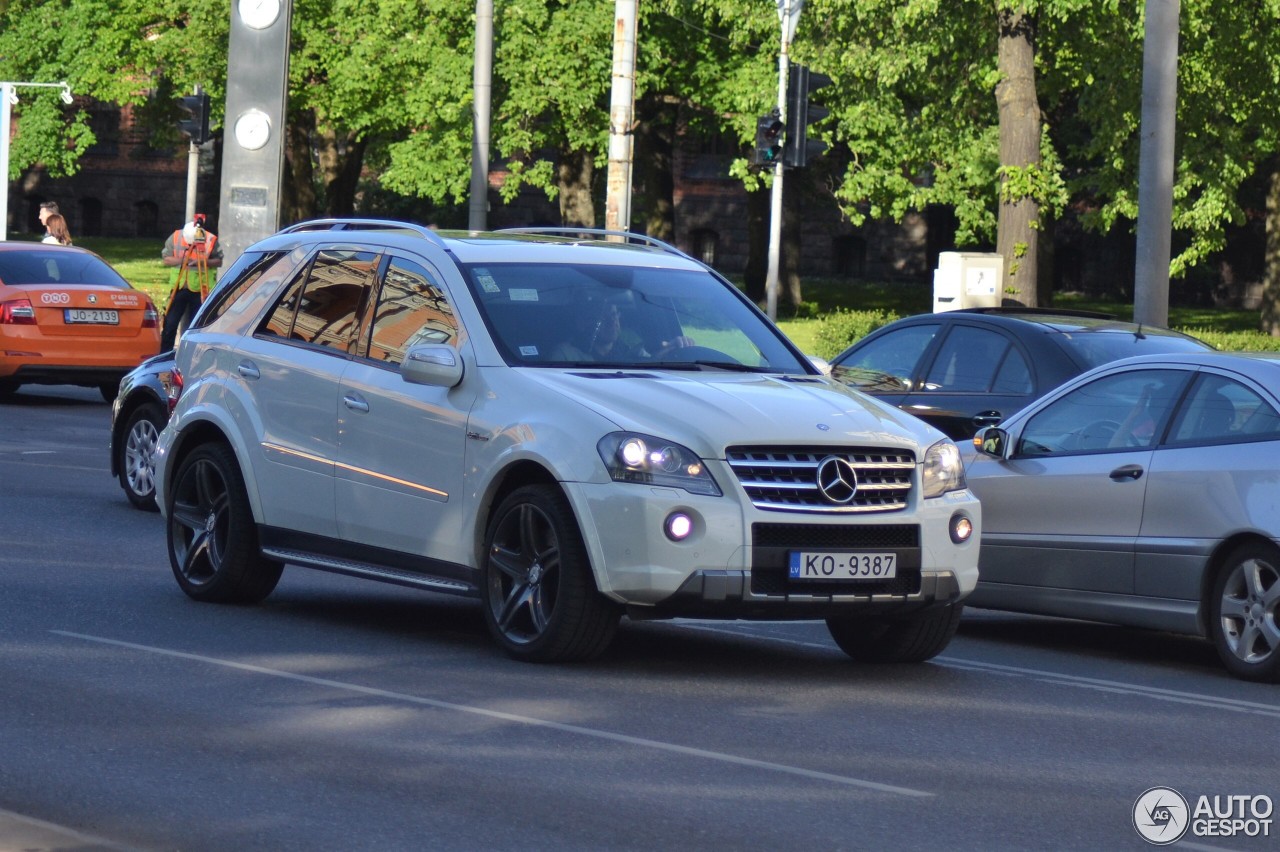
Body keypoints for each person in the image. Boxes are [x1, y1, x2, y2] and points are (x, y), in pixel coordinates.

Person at [551, 299, 692, 363]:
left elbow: (647, 367)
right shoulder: (565, 355)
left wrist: (670, 349)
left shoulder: (632, 349)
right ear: (582, 323)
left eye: (614, 314)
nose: (612, 321)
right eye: (603, 317)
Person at [160, 213, 223, 351]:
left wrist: (203, 262)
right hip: (179, 286)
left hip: (200, 289)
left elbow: (219, 261)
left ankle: (191, 353)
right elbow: (166, 258)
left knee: (196, 326)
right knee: (170, 323)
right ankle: (164, 354)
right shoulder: (176, 237)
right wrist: (184, 261)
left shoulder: (210, 239)